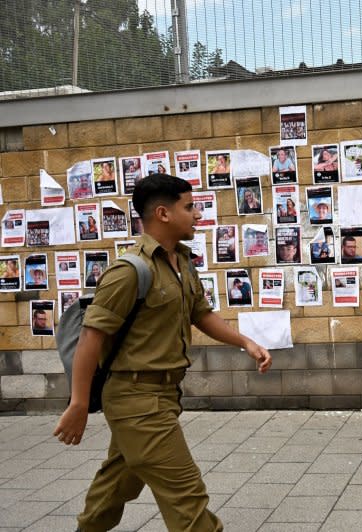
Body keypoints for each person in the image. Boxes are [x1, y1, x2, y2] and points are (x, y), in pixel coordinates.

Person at [53, 173, 272, 531]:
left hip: (163, 395)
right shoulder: (129, 271)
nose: (198, 214)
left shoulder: (181, 261)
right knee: (188, 498)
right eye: (190, 207)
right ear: (163, 213)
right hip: (135, 400)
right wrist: (78, 404)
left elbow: (200, 313)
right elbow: (92, 337)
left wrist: (245, 342)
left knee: (115, 487)